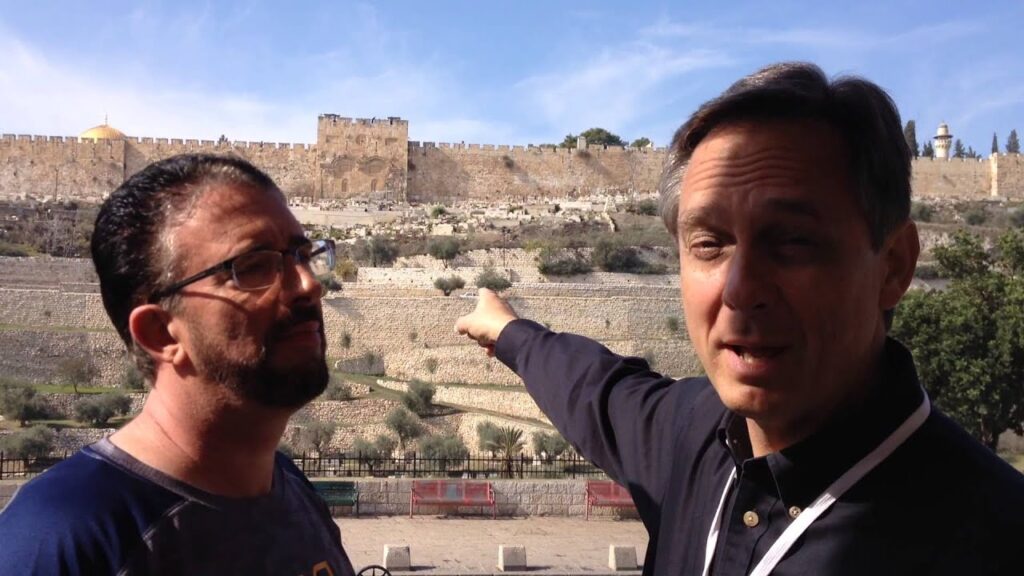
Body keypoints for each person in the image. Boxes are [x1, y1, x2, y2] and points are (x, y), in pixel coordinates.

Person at [456, 62, 1024, 575]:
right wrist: (508, 331)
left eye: (793, 241)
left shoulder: (995, 540)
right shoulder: (689, 435)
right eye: (709, 244)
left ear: (894, 265)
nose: (739, 290)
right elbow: (594, 387)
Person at [0, 154, 355, 575]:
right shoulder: (60, 540)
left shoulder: (292, 491)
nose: (309, 284)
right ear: (161, 333)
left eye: (303, 255)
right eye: (255, 266)